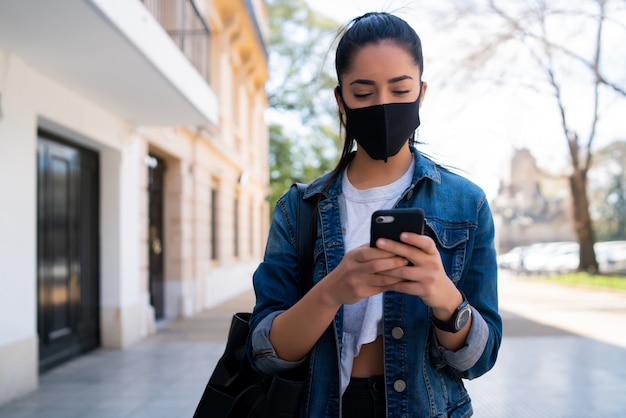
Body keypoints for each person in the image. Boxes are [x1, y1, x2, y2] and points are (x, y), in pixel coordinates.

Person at [248, 11, 502, 418]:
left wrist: (446, 300)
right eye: (363, 94)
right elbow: (265, 353)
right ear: (340, 99)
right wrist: (332, 291)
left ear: (421, 92)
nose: (383, 105)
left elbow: (479, 360)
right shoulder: (298, 209)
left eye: (400, 90)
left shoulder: (466, 204)